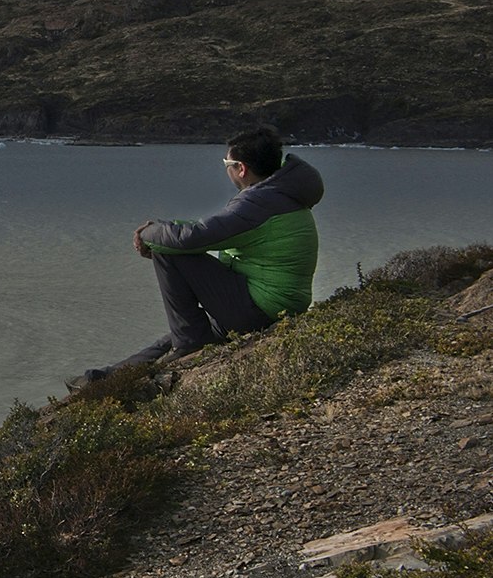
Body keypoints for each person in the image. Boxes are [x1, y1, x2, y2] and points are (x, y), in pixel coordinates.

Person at [71, 125, 324, 388]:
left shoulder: (258, 203)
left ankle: (189, 345)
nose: (225, 167)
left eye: (226, 162)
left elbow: (191, 238)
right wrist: (162, 229)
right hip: (271, 303)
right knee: (171, 337)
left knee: (170, 252)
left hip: (261, 309)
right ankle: (106, 377)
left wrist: (148, 234)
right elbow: (210, 230)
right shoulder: (277, 196)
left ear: (241, 169)